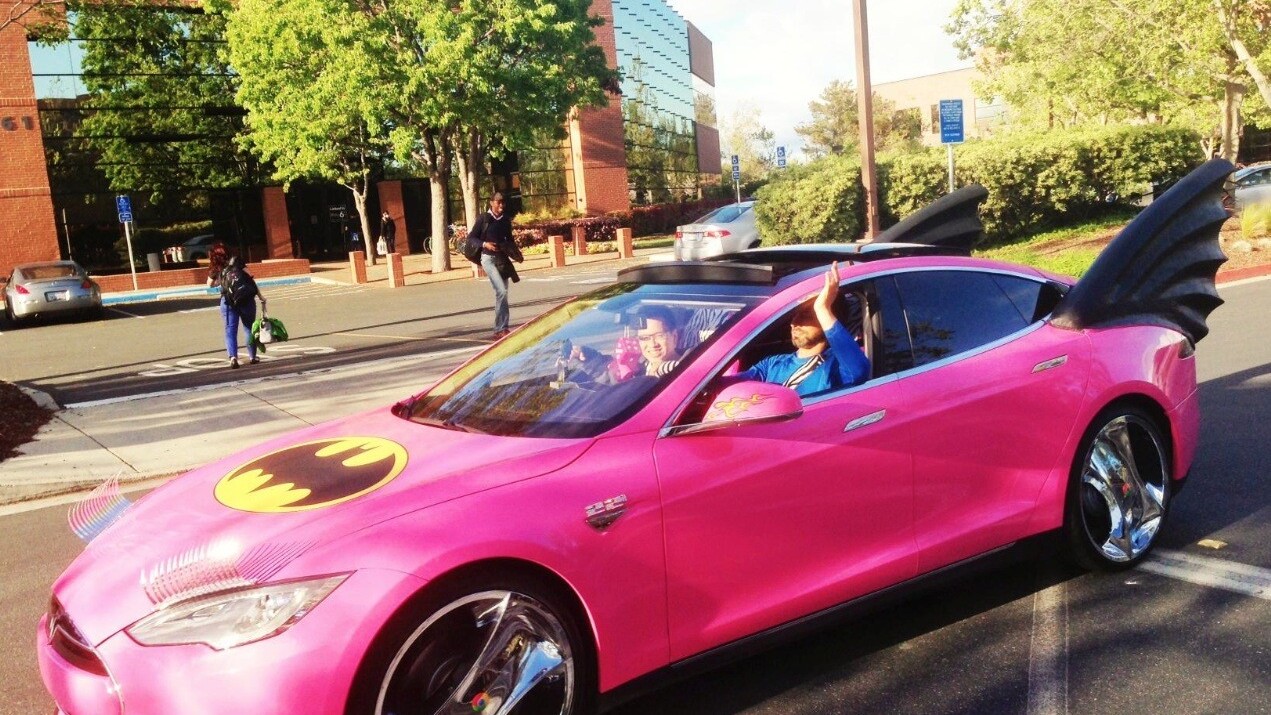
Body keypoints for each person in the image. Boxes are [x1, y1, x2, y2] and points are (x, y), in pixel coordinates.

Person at [739, 261, 869, 394]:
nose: (794, 323)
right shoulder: (772, 364)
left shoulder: (836, 364)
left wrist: (822, 308)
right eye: (794, 315)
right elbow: (730, 384)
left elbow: (858, 372)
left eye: (806, 315)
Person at [468, 192, 522, 339]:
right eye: (498, 202)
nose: (501, 205)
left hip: (501, 259)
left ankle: (502, 328)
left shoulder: (505, 220)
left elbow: (509, 239)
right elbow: (471, 237)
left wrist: (514, 252)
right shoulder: (484, 218)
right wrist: (485, 244)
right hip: (487, 259)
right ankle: (499, 328)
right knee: (501, 291)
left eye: (503, 202)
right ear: (491, 203)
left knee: (503, 292)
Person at [207, 242, 266, 369]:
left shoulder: (216, 266)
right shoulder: (237, 260)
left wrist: (220, 281)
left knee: (230, 330)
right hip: (246, 299)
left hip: (228, 301)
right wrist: (260, 296)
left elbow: (209, 284)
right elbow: (250, 277)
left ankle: (233, 357)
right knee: (249, 328)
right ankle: (252, 357)